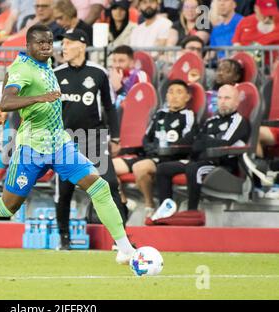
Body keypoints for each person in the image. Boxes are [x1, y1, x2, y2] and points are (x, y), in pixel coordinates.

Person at [0, 24, 137, 264]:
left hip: (58, 142)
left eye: (49, 42)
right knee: (7, 208)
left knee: (98, 187)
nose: (47, 46)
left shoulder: (43, 62)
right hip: (31, 148)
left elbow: (7, 79)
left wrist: (2, 110)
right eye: (40, 43)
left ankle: (125, 249)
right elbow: (8, 99)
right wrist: (26, 101)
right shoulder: (23, 68)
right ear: (28, 45)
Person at [53, 29, 128, 249]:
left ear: (82, 45)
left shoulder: (98, 73)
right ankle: (64, 238)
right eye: (63, 43)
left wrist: (115, 136)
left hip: (94, 138)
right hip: (65, 141)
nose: (63, 47)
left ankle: (119, 239)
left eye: (68, 43)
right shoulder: (56, 74)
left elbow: (109, 106)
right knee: (64, 190)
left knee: (111, 183)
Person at [154, 84, 251, 217]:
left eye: (227, 98)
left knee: (194, 169)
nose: (222, 102)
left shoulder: (239, 121)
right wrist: (205, 142)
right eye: (220, 98)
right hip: (200, 160)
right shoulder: (211, 121)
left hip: (221, 164)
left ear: (236, 101)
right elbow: (196, 142)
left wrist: (204, 141)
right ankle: (165, 212)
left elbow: (224, 143)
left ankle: (191, 212)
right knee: (163, 169)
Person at [113, 79, 195, 218]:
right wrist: (150, 148)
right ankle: (123, 202)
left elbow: (188, 141)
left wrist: (163, 150)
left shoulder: (188, 116)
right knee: (107, 166)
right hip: (149, 156)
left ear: (187, 97)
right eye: (170, 92)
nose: (174, 96)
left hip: (168, 159)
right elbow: (146, 138)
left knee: (140, 168)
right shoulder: (159, 114)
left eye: (179, 92)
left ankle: (149, 205)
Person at [109, 45, 149, 120]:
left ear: (131, 63)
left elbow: (139, 105)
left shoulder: (139, 76)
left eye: (121, 61)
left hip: (133, 121)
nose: (117, 65)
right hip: (112, 121)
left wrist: (119, 89)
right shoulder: (110, 76)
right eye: (114, 61)